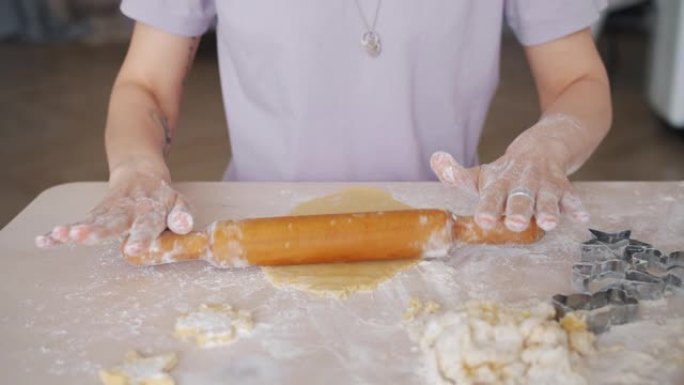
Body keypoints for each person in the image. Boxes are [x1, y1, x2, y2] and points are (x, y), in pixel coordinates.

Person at [36, 1, 612, 254]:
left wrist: (549, 144)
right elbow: (147, 87)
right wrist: (137, 167)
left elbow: (577, 81)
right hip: (256, 235)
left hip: (448, 235)